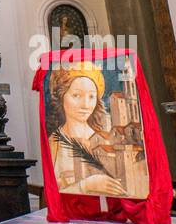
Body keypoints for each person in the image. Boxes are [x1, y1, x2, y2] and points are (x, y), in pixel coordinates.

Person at [46, 62, 124, 196]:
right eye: (76, 95)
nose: (86, 105)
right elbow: (54, 193)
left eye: (91, 96)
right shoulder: (55, 142)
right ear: (62, 96)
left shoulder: (106, 139)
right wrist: (86, 185)